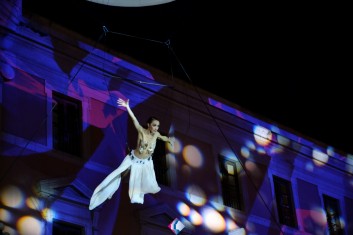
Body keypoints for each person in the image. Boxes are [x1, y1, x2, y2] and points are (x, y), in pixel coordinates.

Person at [89, 98, 174, 210]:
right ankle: (108, 191)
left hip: (145, 163)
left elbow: (162, 137)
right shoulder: (141, 131)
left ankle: (124, 190)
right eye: (154, 125)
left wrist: (168, 140)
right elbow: (134, 119)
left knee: (143, 185)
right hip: (133, 159)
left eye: (157, 126)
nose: (156, 128)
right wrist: (127, 106)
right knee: (119, 174)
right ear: (148, 125)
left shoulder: (156, 134)